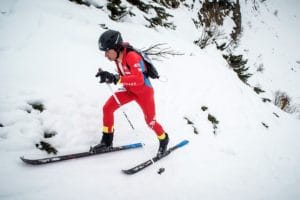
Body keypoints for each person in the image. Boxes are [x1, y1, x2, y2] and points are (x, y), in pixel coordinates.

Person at [94, 30, 169, 156]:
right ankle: (107, 141)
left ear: (116, 48)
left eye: (107, 51)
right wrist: (109, 76)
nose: (106, 55)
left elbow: (139, 79)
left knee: (151, 122)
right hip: (129, 90)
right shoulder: (117, 58)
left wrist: (116, 78)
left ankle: (164, 139)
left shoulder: (132, 56)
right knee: (107, 108)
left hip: (144, 92)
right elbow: (124, 76)